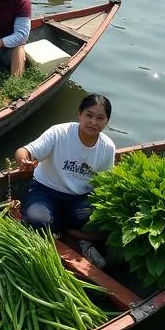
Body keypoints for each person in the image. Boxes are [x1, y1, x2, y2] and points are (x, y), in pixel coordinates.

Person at [14, 94, 116, 261]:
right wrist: (24, 160)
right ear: (79, 114)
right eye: (89, 115)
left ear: (107, 121)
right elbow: (24, 151)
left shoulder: (107, 147)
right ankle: (73, 235)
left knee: (105, 224)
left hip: (80, 199)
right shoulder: (59, 133)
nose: (93, 122)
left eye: (100, 118)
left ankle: (67, 232)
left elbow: (105, 185)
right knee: (37, 222)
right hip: (45, 191)